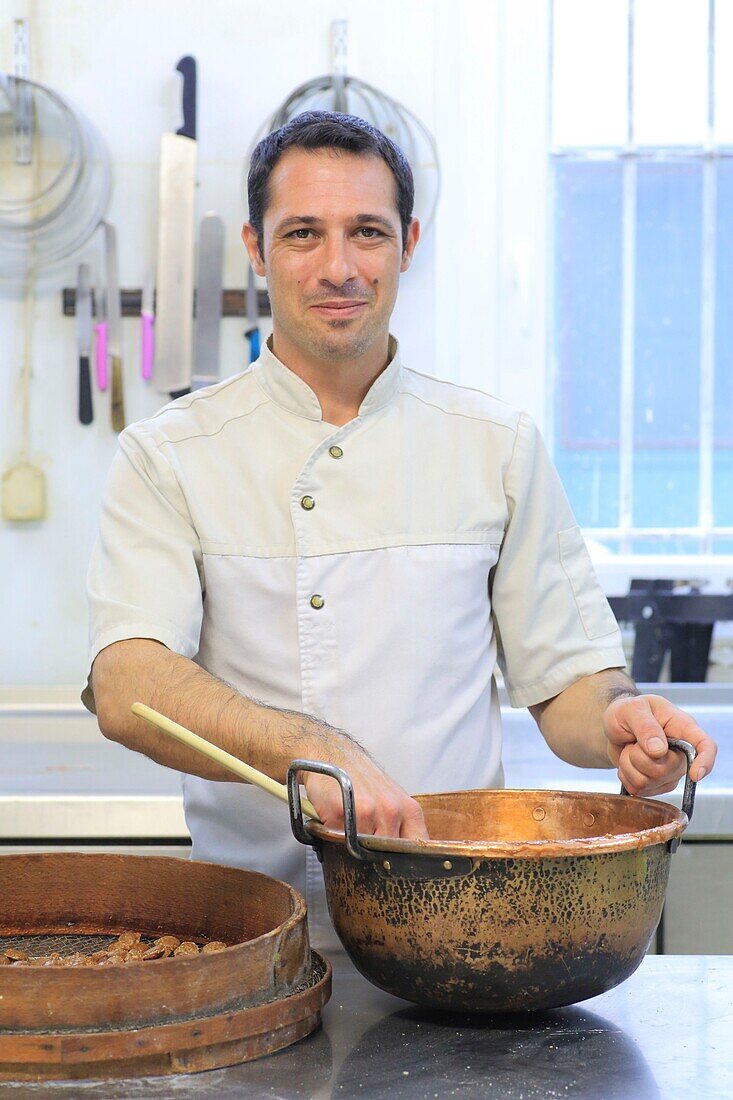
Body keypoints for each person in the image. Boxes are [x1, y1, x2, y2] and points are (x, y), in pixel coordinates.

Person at [83, 112, 716, 947]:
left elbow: (567, 688)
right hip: (248, 935)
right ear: (255, 245)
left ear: (408, 243)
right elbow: (129, 687)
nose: (338, 267)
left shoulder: (495, 446)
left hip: (460, 929)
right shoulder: (168, 454)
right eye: (303, 233)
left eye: (367, 233)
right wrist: (311, 751)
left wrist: (622, 725)